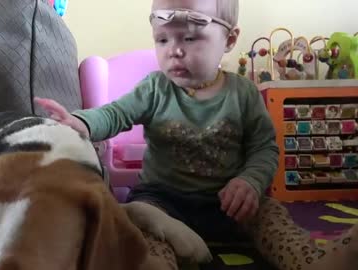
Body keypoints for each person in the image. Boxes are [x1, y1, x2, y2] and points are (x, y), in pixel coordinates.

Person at [35, 0, 358, 269]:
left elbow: (264, 148)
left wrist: (250, 181)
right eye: (163, 40)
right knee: (140, 223)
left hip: (232, 206)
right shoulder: (154, 88)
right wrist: (82, 122)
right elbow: (115, 113)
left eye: (189, 39)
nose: (174, 50)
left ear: (229, 40)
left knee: (272, 214)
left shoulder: (242, 93)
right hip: (164, 202)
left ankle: (314, 260)